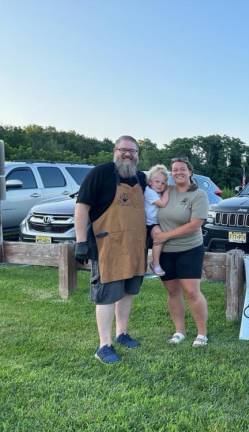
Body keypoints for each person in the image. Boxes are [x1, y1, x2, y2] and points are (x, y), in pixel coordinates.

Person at [74, 136, 147, 364]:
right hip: (108, 246)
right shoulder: (100, 173)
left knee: (127, 292)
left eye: (132, 151)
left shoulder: (142, 178)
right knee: (106, 296)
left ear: (138, 155)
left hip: (135, 246)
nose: (128, 154)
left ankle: (122, 333)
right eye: (123, 150)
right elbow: (81, 207)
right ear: (115, 151)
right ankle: (104, 345)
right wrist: (81, 241)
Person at [153, 157, 209, 347]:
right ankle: (180, 331)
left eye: (182, 169)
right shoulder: (166, 191)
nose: (178, 172)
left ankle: (202, 333)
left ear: (190, 172)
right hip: (166, 251)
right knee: (172, 291)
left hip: (189, 249)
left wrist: (165, 235)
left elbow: (195, 225)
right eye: (174, 170)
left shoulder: (199, 195)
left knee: (192, 291)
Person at [144, 165, 170, 276]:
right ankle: (155, 264)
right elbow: (162, 204)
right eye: (157, 181)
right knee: (159, 238)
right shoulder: (149, 191)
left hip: (157, 222)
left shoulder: (158, 192)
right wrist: (168, 190)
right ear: (150, 182)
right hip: (149, 223)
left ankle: (157, 262)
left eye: (163, 183)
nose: (160, 185)